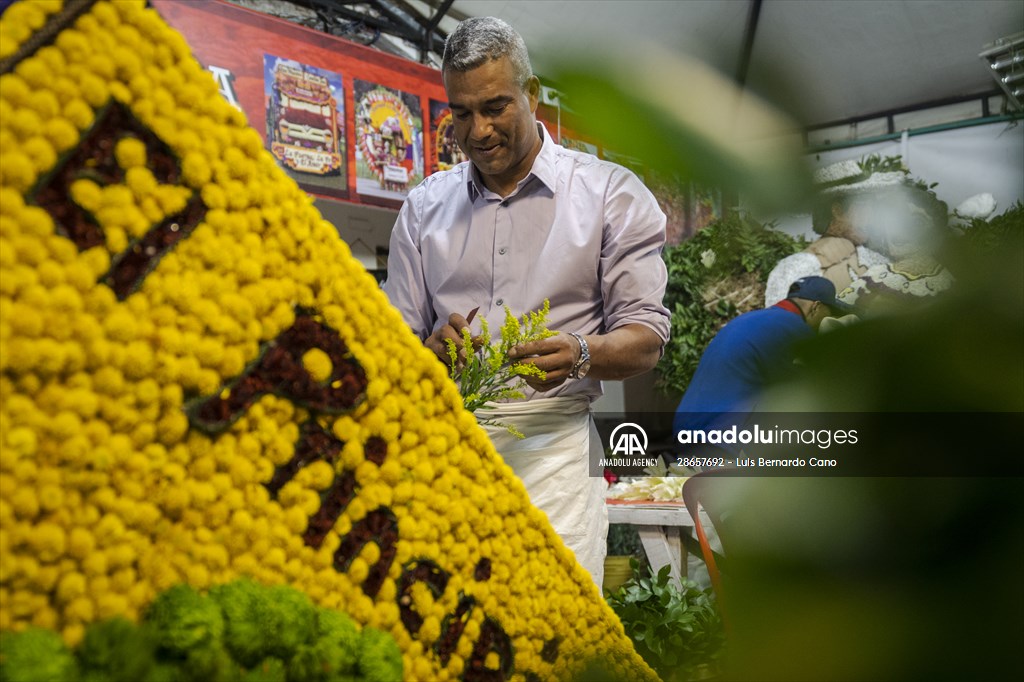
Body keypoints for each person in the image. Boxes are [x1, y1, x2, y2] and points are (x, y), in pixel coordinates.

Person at [382, 16, 670, 587]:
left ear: (532, 94)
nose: (478, 130)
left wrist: (581, 353)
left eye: (495, 107)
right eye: (461, 113)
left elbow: (647, 337)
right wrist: (425, 350)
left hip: (554, 455)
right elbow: (390, 347)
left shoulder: (610, 194)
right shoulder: (422, 209)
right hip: (446, 451)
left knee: (555, 635)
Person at [674, 276, 849, 448]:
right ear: (816, 307)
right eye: (830, 314)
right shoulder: (795, 329)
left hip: (685, 432)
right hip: (718, 441)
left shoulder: (750, 319)